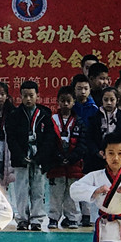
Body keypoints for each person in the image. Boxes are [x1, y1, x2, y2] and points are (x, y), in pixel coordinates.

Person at [6, 80, 55, 231]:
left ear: (37, 96)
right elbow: (11, 138)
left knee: (38, 190)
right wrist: (20, 155)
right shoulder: (14, 115)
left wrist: (40, 156)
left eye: (31, 95)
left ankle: (36, 219)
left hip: (39, 158)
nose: (28, 99)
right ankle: (22, 219)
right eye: (25, 96)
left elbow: (49, 138)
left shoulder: (45, 115)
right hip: (21, 158)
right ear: (20, 96)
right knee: (21, 189)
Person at [47, 85, 86, 229]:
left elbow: (82, 143)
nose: (65, 104)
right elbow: (49, 142)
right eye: (62, 101)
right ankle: (53, 218)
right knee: (55, 193)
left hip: (74, 164)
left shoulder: (79, 121)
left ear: (74, 102)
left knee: (72, 193)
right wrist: (57, 156)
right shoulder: (52, 120)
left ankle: (72, 218)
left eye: (68, 101)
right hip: (56, 164)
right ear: (57, 101)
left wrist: (72, 157)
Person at [84, 87, 121, 174]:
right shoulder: (95, 117)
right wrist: (97, 152)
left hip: (116, 156)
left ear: (117, 100)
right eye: (106, 100)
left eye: (112, 100)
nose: (109, 102)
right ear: (102, 100)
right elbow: (89, 137)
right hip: (97, 158)